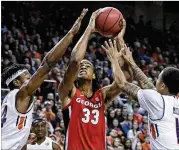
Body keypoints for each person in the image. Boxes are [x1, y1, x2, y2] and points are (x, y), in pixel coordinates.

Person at [1, 8, 88, 150]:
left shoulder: (7, 101)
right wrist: (71, 33)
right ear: (17, 82)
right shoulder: (21, 94)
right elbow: (47, 64)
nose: (31, 79)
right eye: (27, 77)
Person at [58, 9, 126, 150]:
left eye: (87, 66)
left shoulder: (102, 96)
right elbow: (75, 61)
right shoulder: (68, 92)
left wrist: (119, 41)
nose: (82, 67)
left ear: (94, 75)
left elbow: (123, 82)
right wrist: (89, 29)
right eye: (81, 66)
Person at [111, 38, 179, 149]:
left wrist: (114, 60)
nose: (155, 81)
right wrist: (132, 63)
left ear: (162, 86)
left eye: (158, 79)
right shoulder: (172, 102)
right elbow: (148, 85)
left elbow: (122, 84)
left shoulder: (158, 102)